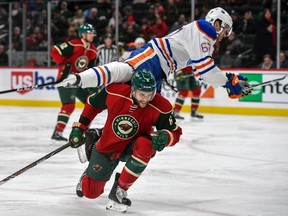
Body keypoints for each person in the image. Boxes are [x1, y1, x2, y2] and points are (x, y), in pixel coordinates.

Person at [57, 7, 251, 101]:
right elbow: (206, 69)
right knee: (125, 70)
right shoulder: (206, 29)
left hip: (161, 70)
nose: (225, 35)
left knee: (144, 114)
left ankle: (99, 136)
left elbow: (201, 72)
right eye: (225, 30)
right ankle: (78, 79)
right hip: (154, 57)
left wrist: (228, 79)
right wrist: (228, 82)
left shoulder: (201, 38)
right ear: (217, 23)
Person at [68, 70, 182, 212]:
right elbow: (93, 104)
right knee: (91, 193)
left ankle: (120, 190)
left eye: (149, 95)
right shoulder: (115, 91)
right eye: (142, 94)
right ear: (132, 90)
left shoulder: (160, 105)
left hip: (132, 146)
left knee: (146, 145)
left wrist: (166, 137)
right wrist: (81, 128)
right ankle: (94, 143)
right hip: (108, 145)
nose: (145, 99)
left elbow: (175, 132)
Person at [50, 23, 98, 143]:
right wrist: (63, 65)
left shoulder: (93, 50)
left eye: (93, 33)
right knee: (69, 105)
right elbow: (55, 50)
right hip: (66, 80)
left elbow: (90, 69)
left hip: (79, 81)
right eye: (90, 33)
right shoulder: (74, 44)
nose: (92, 35)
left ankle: (84, 130)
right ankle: (58, 132)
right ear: (82, 34)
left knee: (92, 103)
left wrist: (92, 84)